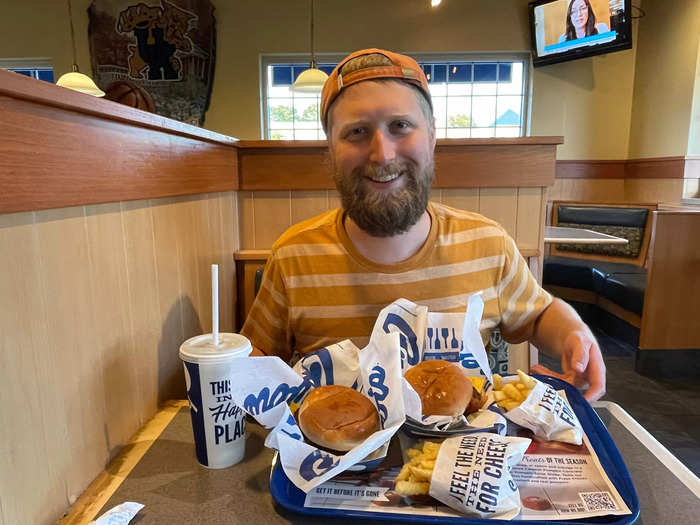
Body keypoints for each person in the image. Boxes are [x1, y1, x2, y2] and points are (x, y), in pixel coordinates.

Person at [242, 48, 606, 401]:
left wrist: (575, 334)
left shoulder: (488, 243)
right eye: (356, 132)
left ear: (431, 135)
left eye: (400, 126)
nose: (382, 153)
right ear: (330, 149)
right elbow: (256, 357)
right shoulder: (294, 255)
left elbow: (538, 314)